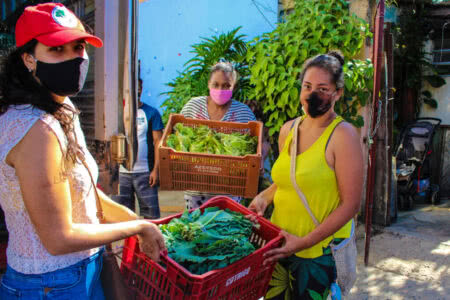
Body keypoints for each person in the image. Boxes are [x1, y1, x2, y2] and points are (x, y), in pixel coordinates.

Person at [0, 3, 165, 299]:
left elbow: (85, 193)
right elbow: (58, 238)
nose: (74, 58)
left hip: (80, 273)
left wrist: (140, 223)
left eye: (78, 47)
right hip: (50, 285)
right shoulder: (36, 128)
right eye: (57, 50)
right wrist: (135, 227)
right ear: (28, 59)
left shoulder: (62, 108)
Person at [248, 51, 363, 299]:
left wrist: (303, 242)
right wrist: (264, 198)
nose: (312, 94)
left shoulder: (343, 136)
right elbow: (289, 180)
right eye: (307, 86)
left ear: (338, 93)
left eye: (322, 89)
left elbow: (351, 205)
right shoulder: (288, 130)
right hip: (278, 245)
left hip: (317, 254)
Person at [180, 61, 258, 209]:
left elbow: (257, 143)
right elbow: (177, 134)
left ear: (233, 86)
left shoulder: (243, 112)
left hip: (229, 191)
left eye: (226, 85)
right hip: (196, 189)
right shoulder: (193, 106)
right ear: (209, 84)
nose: (220, 89)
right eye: (216, 84)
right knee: (196, 227)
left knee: (224, 227)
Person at [113, 78, 163, 219]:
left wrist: (156, 170)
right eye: (132, 88)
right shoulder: (117, 113)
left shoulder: (151, 113)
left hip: (145, 174)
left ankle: (150, 241)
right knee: (123, 217)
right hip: (121, 174)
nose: (137, 91)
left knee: (152, 217)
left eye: (139, 87)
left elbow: (158, 142)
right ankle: (130, 242)